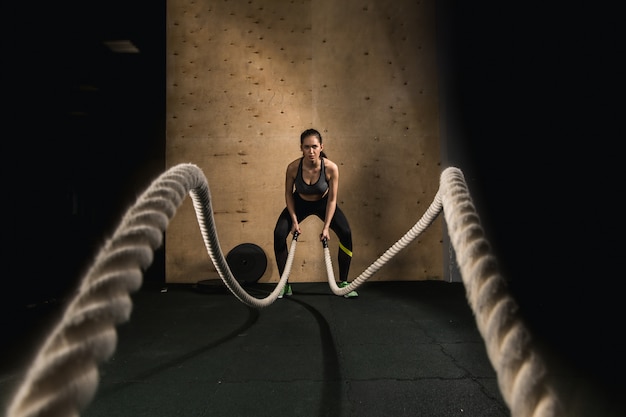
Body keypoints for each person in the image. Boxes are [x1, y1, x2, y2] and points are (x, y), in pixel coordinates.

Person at [273, 128, 358, 299]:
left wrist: (326, 227)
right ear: (301, 148)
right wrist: (294, 222)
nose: (310, 151)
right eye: (306, 147)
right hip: (299, 203)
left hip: (324, 203)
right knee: (279, 233)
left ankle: (343, 283)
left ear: (321, 147)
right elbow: (289, 195)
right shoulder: (292, 168)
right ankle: (284, 285)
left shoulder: (331, 168)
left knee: (346, 233)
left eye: (314, 146)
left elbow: (332, 200)